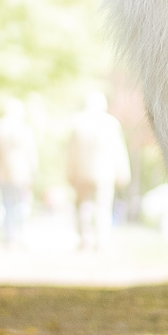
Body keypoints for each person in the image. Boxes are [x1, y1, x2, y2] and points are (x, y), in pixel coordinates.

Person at [65, 91, 130, 251]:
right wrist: (123, 172)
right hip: (105, 173)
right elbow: (118, 151)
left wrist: (70, 172)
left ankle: (86, 239)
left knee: (84, 206)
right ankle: (101, 240)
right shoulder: (111, 123)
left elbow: (71, 152)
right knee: (103, 207)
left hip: (82, 172)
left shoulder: (78, 122)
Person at [0, 98, 38, 248]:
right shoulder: (24, 129)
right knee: (21, 203)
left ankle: (8, 236)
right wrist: (34, 172)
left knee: (7, 203)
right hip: (22, 172)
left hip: (2, 171)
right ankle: (20, 234)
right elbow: (31, 154)